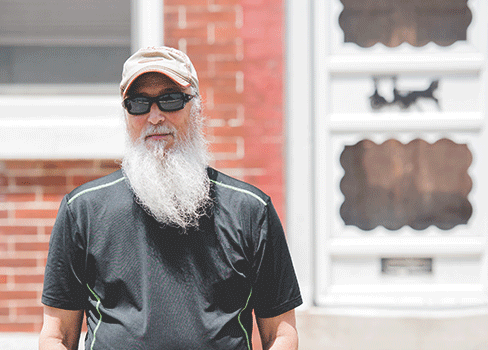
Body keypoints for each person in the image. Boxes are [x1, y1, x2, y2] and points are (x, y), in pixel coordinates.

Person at [39, 46, 302, 350]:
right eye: (138, 103)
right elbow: (56, 335)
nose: (154, 116)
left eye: (170, 100)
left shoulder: (251, 210)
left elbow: (280, 333)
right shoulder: (83, 210)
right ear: (126, 114)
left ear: (196, 107)